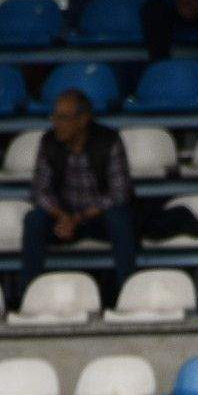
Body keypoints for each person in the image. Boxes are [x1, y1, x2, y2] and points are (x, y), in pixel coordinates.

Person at [20, 90, 137, 302]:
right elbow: (39, 191)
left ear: (83, 120)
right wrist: (63, 216)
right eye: (54, 116)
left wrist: (78, 218)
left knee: (120, 218)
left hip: (97, 219)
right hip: (63, 219)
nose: (56, 123)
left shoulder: (108, 141)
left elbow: (120, 193)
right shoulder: (49, 142)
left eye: (63, 118)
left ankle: (128, 294)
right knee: (33, 220)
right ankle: (28, 297)